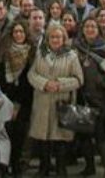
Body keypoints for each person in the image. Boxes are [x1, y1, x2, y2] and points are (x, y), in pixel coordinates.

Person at [28, 24, 84, 177]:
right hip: (42, 101)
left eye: (58, 37)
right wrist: (44, 83)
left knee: (60, 138)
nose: (55, 40)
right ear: (48, 39)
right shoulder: (40, 53)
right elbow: (31, 74)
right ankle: (44, 168)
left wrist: (59, 84)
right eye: (52, 37)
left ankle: (61, 169)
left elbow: (79, 79)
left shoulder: (71, 56)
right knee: (43, 138)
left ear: (64, 38)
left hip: (62, 101)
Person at [73, 17, 105, 178]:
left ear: (98, 30)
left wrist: (100, 81)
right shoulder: (76, 48)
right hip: (80, 96)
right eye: (87, 26)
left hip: (98, 98)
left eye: (93, 26)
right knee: (84, 133)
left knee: (100, 133)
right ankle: (89, 167)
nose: (90, 29)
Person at [0, 21, 35, 178]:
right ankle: (3, 166)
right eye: (15, 32)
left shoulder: (32, 52)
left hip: (24, 101)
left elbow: (30, 81)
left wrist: (18, 104)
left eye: (21, 32)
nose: (18, 34)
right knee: (5, 135)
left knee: (19, 135)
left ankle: (16, 166)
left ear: (26, 34)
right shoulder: (2, 51)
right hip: (4, 99)